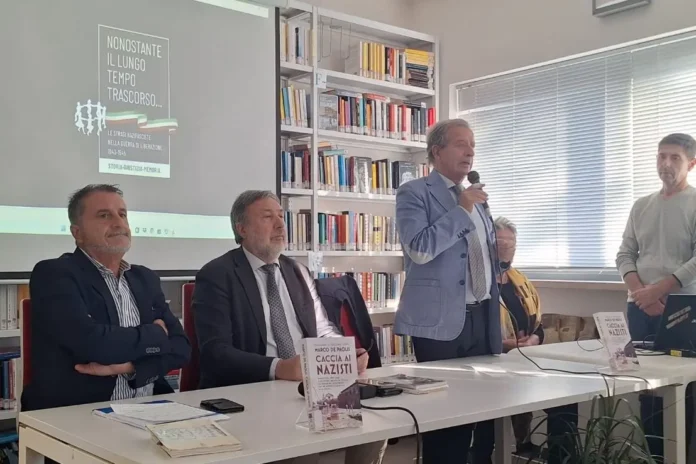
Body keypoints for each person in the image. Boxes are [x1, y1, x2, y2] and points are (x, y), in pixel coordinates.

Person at [192, 190, 386, 464]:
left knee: (378, 422)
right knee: (299, 448)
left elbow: (322, 329)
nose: (281, 225)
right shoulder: (217, 275)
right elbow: (216, 352)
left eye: (281, 217)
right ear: (242, 229)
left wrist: (345, 354)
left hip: (307, 386)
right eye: (267, 217)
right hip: (253, 391)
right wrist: (279, 367)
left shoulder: (297, 271)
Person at [22, 184, 190, 412]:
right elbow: (91, 344)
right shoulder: (54, 274)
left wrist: (129, 367)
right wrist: (156, 335)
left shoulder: (145, 278)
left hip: (150, 408)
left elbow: (181, 348)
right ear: (77, 232)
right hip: (80, 413)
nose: (119, 223)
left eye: (122, 214)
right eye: (104, 215)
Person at [394, 118, 501, 463]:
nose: (470, 151)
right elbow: (419, 248)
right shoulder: (414, 192)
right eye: (460, 144)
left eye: (473, 145)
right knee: (446, 424)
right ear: (437, 151)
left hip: (482, 318)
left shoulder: (476, 197)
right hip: (440, 324)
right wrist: (462, 208)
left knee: (483, 418)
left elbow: (482, 253)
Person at [471, 217, 578, 464]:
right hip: (491, 365)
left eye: (512, 243)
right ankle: (482, 457)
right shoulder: (478, 284)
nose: (507, 248)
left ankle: (560, 458)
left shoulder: (520, 281)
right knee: (488, 416)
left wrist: (533, 340)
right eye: (501, 242)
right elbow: (472, 331)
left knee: (566, 401)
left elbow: (538, 325)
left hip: (527, 361)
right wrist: (503, 344)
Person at [616, 133, 696, 461]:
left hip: (682, 308)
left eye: (675, 157)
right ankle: (653, 457)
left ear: (691, 163)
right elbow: (625, 255)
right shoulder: (641, 205)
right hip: (640, 308)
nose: (666, 163)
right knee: (645, 388)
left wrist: (659, 290)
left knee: (681, 390)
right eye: (661, 156)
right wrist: (642, 294)